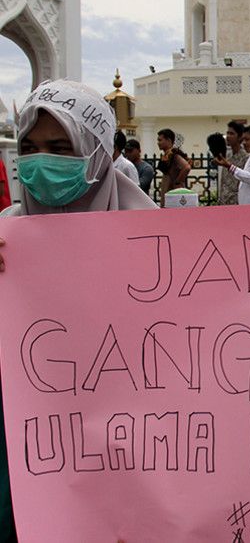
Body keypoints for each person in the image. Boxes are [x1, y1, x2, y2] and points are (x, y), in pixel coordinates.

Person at [0, 79, 157, 540]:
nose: (40, 160)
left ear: (97, 154)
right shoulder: (6, 235)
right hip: (27, 456)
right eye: (29, 147)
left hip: (133, 453)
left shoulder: (158, 242)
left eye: (59, 147)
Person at [217, 120, 249, 205]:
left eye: (232, 134)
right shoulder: (227, 155)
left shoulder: (246, 158)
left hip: (237, 203)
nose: (228, 136)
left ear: (240, 137)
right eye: (227, 133)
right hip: (223, 201)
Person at [156, 128, 191, 205]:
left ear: (168, 140)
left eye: (160, 140)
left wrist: (178, 182)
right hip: (168, 191)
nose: (158, 143)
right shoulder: (167, 155)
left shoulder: (174, 155)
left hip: (174, 194)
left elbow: (187, 167)